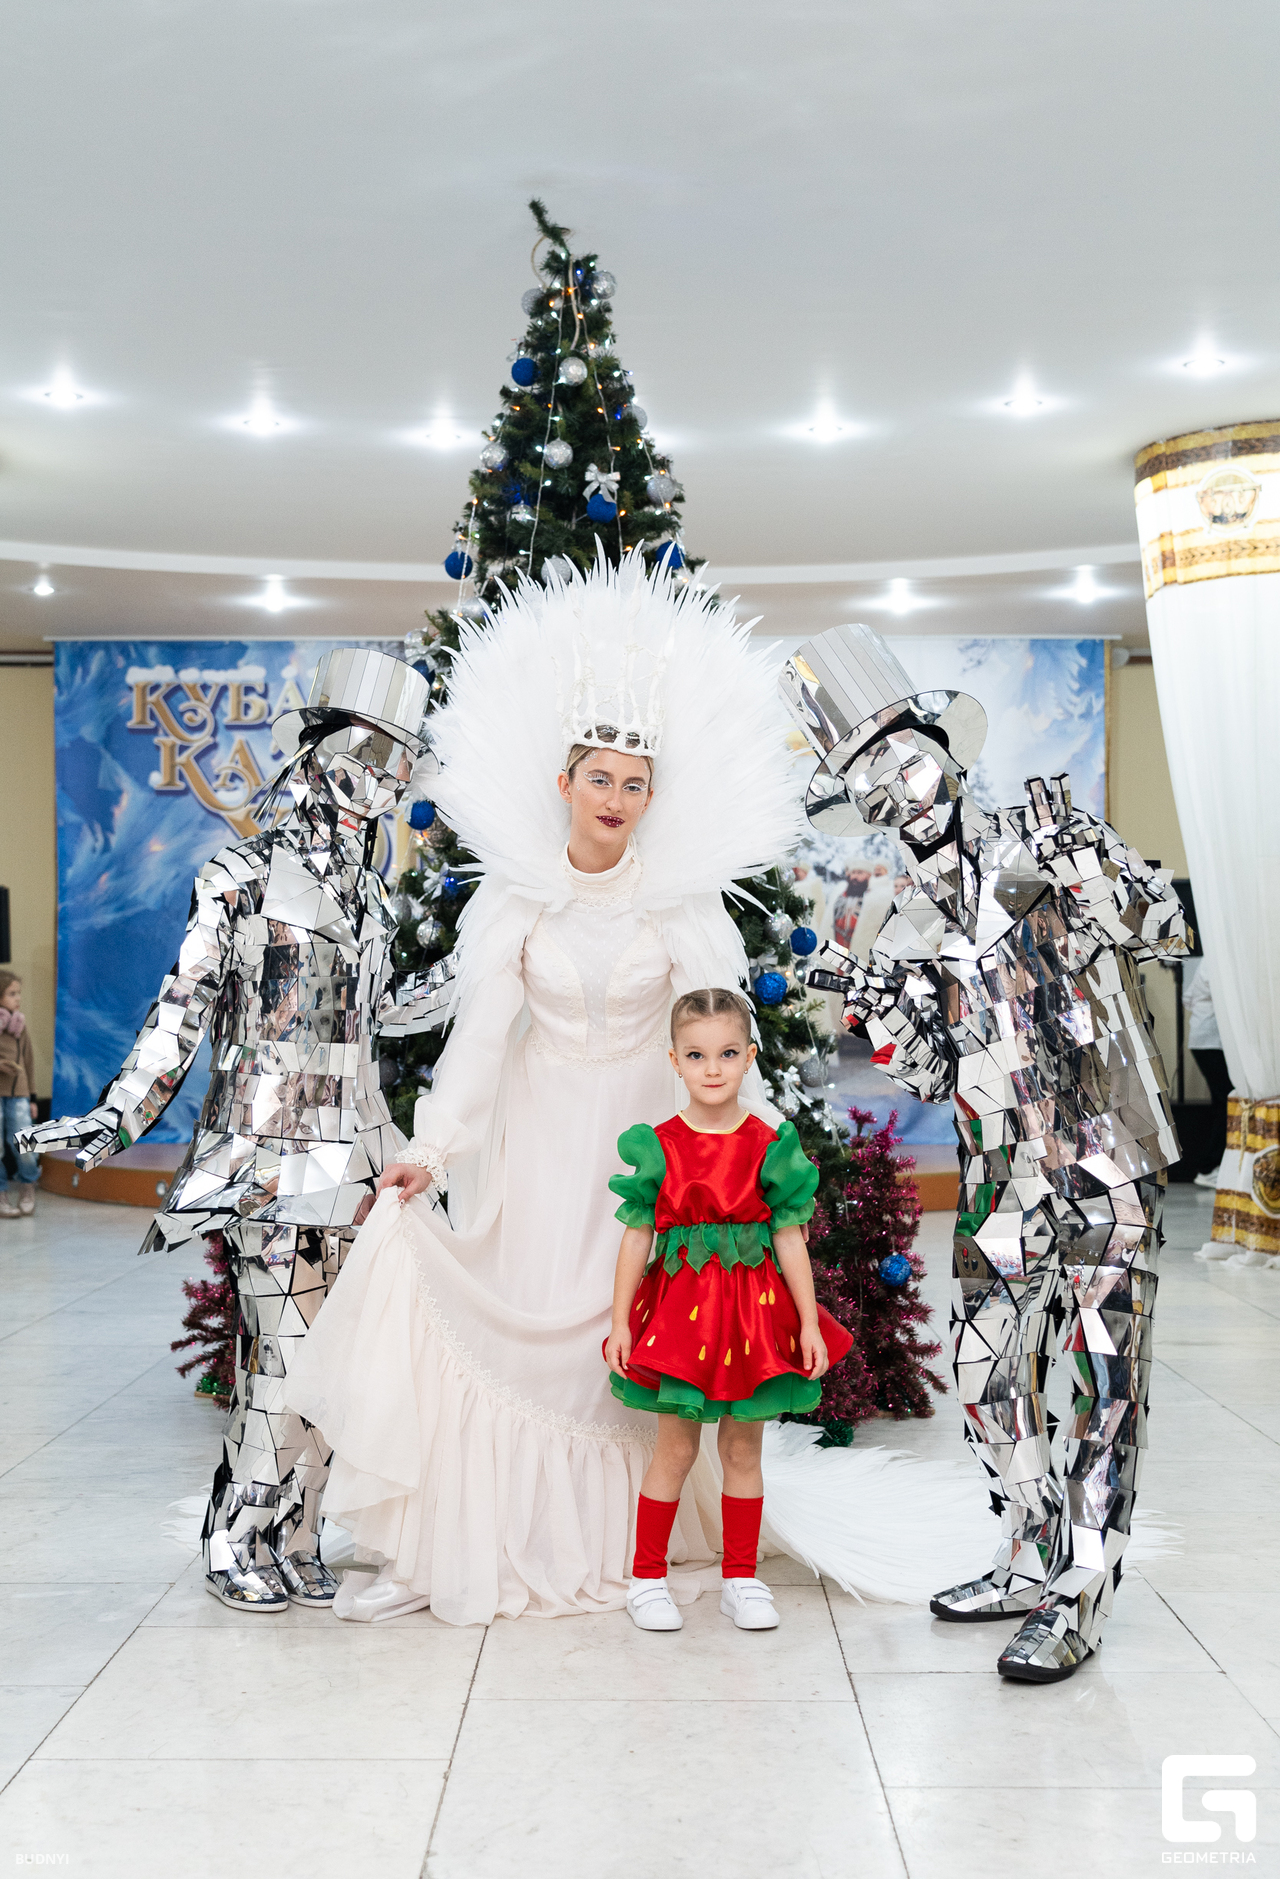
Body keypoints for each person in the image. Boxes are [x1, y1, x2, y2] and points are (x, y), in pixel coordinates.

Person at [281, 556, 805, 1626]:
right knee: (519, 1318)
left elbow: (719, 1037)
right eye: (599, 779)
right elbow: (479, 1039)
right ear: (564, 784)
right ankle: (471, 1542)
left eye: (634, 784)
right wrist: (434, 1150)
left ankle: (634, 1550)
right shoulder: (517, 901)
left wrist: (753, 1155)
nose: (616, 800)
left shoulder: (681, 903)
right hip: (538, 1136)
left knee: (632, 1330)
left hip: (646, 1142)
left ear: (653, 796)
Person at [781, 623, 1190, 1683]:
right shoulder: (903, 927)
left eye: (902, 759)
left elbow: (1163, 927)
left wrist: (1086, 863)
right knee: (982, 1372)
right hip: (998, 1174)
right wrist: (873, 997)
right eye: (868, 784)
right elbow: (931, 1072)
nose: (895, 790)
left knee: (1102, 1384)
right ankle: (1025, 1553)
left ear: (943, 750)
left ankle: (1079, 1592)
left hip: (1102, 1156)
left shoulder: (1043, 839)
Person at [20, 650, 450, 1612]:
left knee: (338, 1365)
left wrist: (488, 971)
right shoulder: (241, 874)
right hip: (269, 1152)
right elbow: (183, 1006)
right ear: (319, 751)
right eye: (371, 757)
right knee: (283, 1360)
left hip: (363, 1155)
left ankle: (298, 1535)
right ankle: (235, 1533)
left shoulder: (373, 897)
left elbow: (380, 1014)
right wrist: (118, 1114)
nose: (386, 784)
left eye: (400, 767)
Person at [605, 986, 852, 1633]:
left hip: (752, 1316)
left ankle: (740, 1579)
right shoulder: (660, 1146)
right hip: (681, 1317)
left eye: (727, 1053)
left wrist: (807, 1321)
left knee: (744, 1448)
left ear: (749, 1057)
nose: (712, 1069)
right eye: (696, 1055)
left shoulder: (770, 1144)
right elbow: (637, 1237)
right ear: (675, 1060)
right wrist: (620, 1322)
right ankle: (646, 1579)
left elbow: (790, 1238)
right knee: (675, 1450)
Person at [1183, 958, 1232, 1187]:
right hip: (1211, 1041)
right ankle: (1209, 1167)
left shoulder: (1208, 962)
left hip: (1202, 1039)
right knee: (1227, 1101)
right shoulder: (1219, 961)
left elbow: (1188, 999)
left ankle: (1213, 1165)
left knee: (1223, 1101)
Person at [0, 975, 40, 1217]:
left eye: (19, 993)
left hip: (19, 1094)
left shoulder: (19, 1025)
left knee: (24, 1145)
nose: (18, 998)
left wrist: (32, 1098)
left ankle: (27, 1186)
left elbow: (29, 1062)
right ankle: (1, 1194)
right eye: (12, 994)